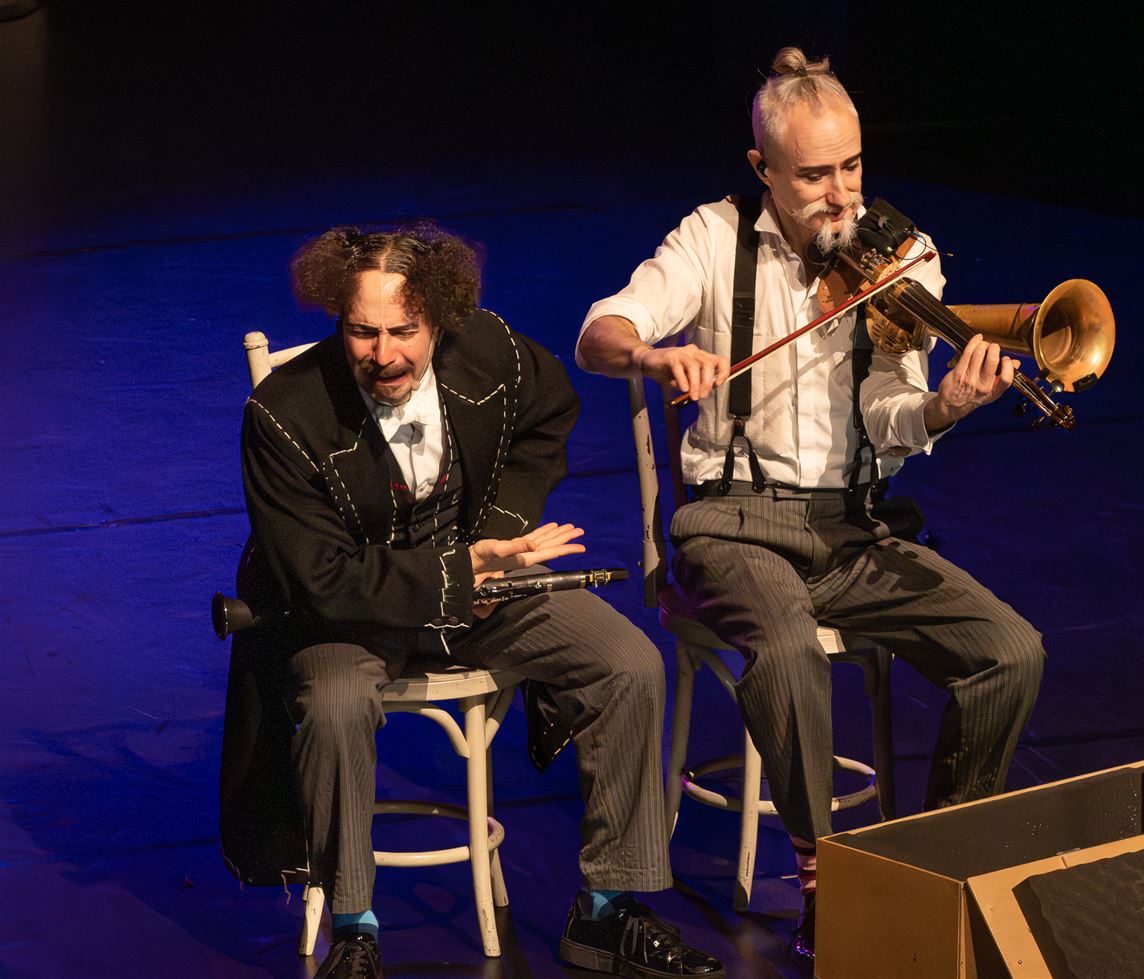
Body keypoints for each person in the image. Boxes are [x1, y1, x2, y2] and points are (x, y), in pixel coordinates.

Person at [575, 48, 1047, 958]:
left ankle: (934, 867)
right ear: (764, 169)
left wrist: (945, 407)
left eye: (853, 168)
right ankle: (827, 876)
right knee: (788, 651)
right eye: (815, 175)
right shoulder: (712, 237)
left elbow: (891, 412)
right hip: (732, 524)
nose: (842, 196)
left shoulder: (902, 255)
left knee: (1010, 652)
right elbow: (603, 329)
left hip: (854, 529)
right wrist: (652, 355)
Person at [219, 224, 722, 979]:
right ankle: (354, 930)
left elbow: (549, 413)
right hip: (349, 613)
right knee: (334, 703)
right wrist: (458, 573)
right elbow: (320, 578)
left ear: (437, 319)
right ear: (337, 318)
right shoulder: (283, 414)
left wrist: (495, 540)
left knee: (627, 663)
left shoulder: (486, 349)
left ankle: (607, 911)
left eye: (403, 331)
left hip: (481, 577)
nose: (383, 353)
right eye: (362, 331)